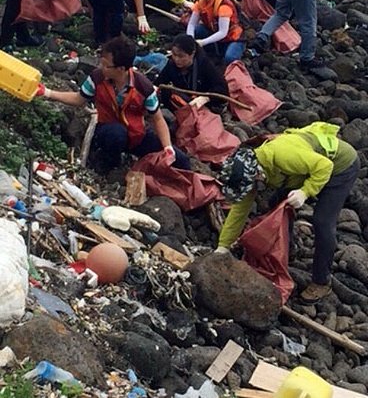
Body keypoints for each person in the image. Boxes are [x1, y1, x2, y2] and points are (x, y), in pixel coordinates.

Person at [216, 122, 359, 304]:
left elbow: (324, 166)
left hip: (340, 166)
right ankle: (286, 248)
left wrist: (305, 192)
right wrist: (223, 246)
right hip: (303, 170)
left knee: (322, 221)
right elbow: (239, 211)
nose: (250, 190)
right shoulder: (250, 171)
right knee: (277, 203)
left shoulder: (283, 156)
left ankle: (322, 282)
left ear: (258, 175)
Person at [37, 35, 191, 173]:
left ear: (121, 68)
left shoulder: (143, 87)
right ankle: (107, 164)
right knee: (116, 134)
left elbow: (157, 119)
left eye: (106, 65)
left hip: (136, 135)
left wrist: (167, 148)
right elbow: (79, 99)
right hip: (108, 130)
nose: (101, 67)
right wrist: (48, 93)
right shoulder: (97, 78)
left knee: (181, 160)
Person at [186, 0, 245, 65]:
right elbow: (192, 24)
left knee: (229, 58)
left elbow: (223, 32)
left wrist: (202, 42)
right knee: (197, 30)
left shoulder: (223, 6)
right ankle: (213, 52)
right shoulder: (201, 1)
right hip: (215, 34)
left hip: (232, 38)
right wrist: (190, 40)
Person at [158, 34, 229, 112]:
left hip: (202, 103)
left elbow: (223, 90)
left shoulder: (204, 64)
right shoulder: (172, 64)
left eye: (181, 56)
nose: (176, 59)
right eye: (174, 55)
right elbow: (159, 83)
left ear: (192, 54)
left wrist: (205, 98)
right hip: (185, 100)